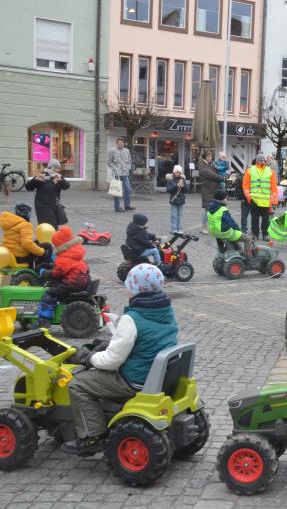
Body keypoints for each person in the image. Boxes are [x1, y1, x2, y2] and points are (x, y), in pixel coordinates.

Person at [64, 263, 178, 455]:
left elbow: (112, 361)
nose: (126, 289)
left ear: (135, 290)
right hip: (157, 375)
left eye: (128, 285)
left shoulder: (132, 318)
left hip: (134, 381)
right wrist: (108, 344)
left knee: (77, 384)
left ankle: (92, 436)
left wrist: (88, 357)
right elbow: (142, 340)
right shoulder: (165, 311)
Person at [36, 225, 90, 329]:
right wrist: (52, 267)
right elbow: (67, 267)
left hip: (72, 283)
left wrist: (45, 273)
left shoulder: (63, 257)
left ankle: (44, 319)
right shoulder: (75, 251)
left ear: (59, 245)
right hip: (83, 280)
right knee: (57, 286)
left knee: (50, 294)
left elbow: (58, 273)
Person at [25, 158, 70, 228]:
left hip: (54, 206)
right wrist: (35, 180)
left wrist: (61, 180)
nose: (56, 170)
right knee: (50, 229)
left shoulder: (58, 177)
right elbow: (28, 187)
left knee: (49, 230)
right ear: (49, 167)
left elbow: (66, 186)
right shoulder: (42, 176)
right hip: (42, 207)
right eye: (55, 167)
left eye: (58, 168)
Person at [243, 154, 279, 240]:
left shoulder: (270, 171)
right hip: (254, 200)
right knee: (254, 219)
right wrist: (248, 195)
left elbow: (274, 186)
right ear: (257, 161)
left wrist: (274, 200)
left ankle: (265, 234)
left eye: (264, 161)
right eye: (261, 160)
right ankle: (255, 234)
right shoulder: (250, 170)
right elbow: (245, 184)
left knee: (266, 219)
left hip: (266, 200)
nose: (263, 162)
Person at [208, 190, 254, 255]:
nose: (227, 200)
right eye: (226, 198)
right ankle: (248, 258)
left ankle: (225, 252)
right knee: (248, 239)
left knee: (233, 238)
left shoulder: (210, 208)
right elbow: (231, 222)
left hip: (215, 233)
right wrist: (239, 230)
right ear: (222, 199)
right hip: (225, 232)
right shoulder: (223, 210)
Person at [196, 150, 223, 234]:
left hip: (213, 190)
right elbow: (210, 174)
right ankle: (204, 227)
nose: (210, 158)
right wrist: (222, 178)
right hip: (207, 191)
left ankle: (212, 227)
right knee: (207, 209)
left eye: (211, 157)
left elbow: (218, 171)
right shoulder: (202, 165)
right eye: (208, 157)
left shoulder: (211, 165)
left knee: (213, 209)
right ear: (205, 157)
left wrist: (221, 167)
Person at [107, 139, 134, 213]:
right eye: (119, 143)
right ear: (116, 143)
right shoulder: (112, 151)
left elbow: (129, 161)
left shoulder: (127, 151)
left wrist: (128, 167)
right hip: (117, 174)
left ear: (124, 144)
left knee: (127, 189)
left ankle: (127, 206)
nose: (120, 144)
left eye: (122, 143)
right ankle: (117, 207)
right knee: (117, 190)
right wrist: (115, 168)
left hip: (125, 173)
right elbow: (109, 162)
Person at [167, 165, 186, 233]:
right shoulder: (170, 180)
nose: (179, 173)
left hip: (181, 199)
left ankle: (179, 228)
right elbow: (169, 190)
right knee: (174, 215)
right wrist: (176, 185)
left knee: (180, 215)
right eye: (177, 172)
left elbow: (186, 190)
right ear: (174, 172)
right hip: (174, 200)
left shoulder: (183, 179)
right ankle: (174, 229)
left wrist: (183, 187)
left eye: (180, 172)